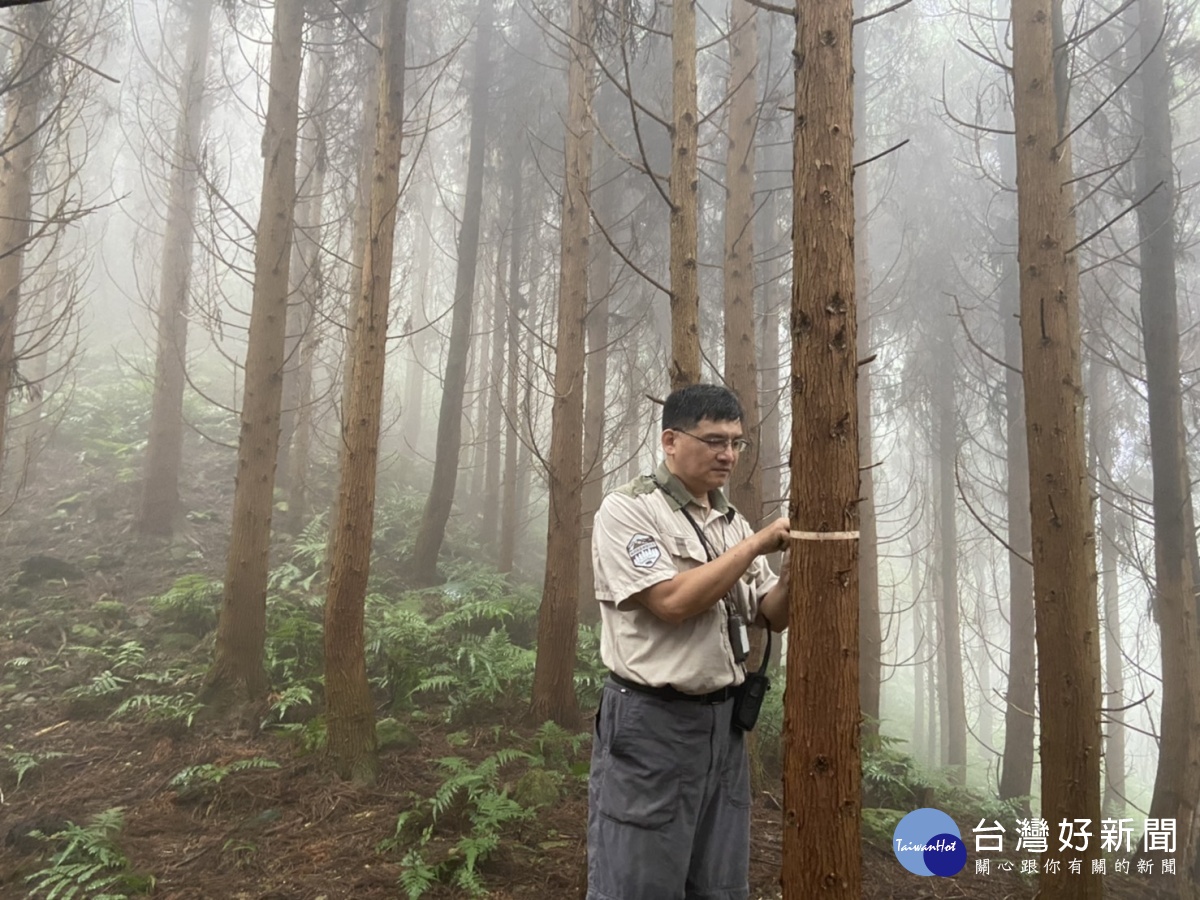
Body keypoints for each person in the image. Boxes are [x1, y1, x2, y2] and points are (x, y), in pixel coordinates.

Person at [586, 383, 791, 900]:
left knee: (719, 883)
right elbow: (672, 603)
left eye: (737, 442)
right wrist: (755, 545)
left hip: (724, 728)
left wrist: (799, 564)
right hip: (652, 722)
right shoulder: (629, 510)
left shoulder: (729, 520)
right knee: (639, 881)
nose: (728, 455)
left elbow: (773, 613)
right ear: (670, 441)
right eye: (715, 440)